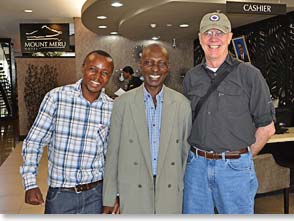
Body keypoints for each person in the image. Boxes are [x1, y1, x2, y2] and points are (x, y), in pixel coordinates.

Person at [182, 12, 276, 214]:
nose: (213, 38)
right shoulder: (191, 77)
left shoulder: (250, 75)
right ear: (200, 38)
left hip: (235, 170)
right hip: (196, 168)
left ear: (229, 37)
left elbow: (267, 128)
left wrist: (241, 158)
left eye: (220, 33)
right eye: (208, 33)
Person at [20, 50, 115, 214]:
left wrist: (113, 195)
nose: (97, 77)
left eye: (105, 73)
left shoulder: (112, 107)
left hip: (96, 195)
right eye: (93, 69)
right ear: (83, 67)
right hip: (61, 195)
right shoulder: (56, 98)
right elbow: (34, 141)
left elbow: (113, 155)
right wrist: (30, 183)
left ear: (110, 76)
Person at [103, 43, 192, 214]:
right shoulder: (122, 104)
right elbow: (113, 153)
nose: (155, 69)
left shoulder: (182, 105)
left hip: (170, 189)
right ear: (141, 66)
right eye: (149, 62)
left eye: (161, 63)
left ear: (168, 67)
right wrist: (110, 196)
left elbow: (185, 155)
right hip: (133, 189)